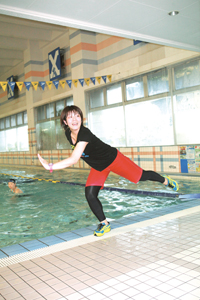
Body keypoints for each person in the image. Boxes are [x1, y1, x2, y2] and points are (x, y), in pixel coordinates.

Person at [38, 105, 179, 237]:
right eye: (70, 117)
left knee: (141, 176)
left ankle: (165, 180)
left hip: (114, 159)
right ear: (65, 121)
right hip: (99, 166)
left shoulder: (84, 133)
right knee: (90, 194)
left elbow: (74, 159)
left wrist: (50, 166)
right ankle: (104, 223)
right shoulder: (68, 133)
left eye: (77, 116)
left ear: (81, 118)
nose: (75, 119)